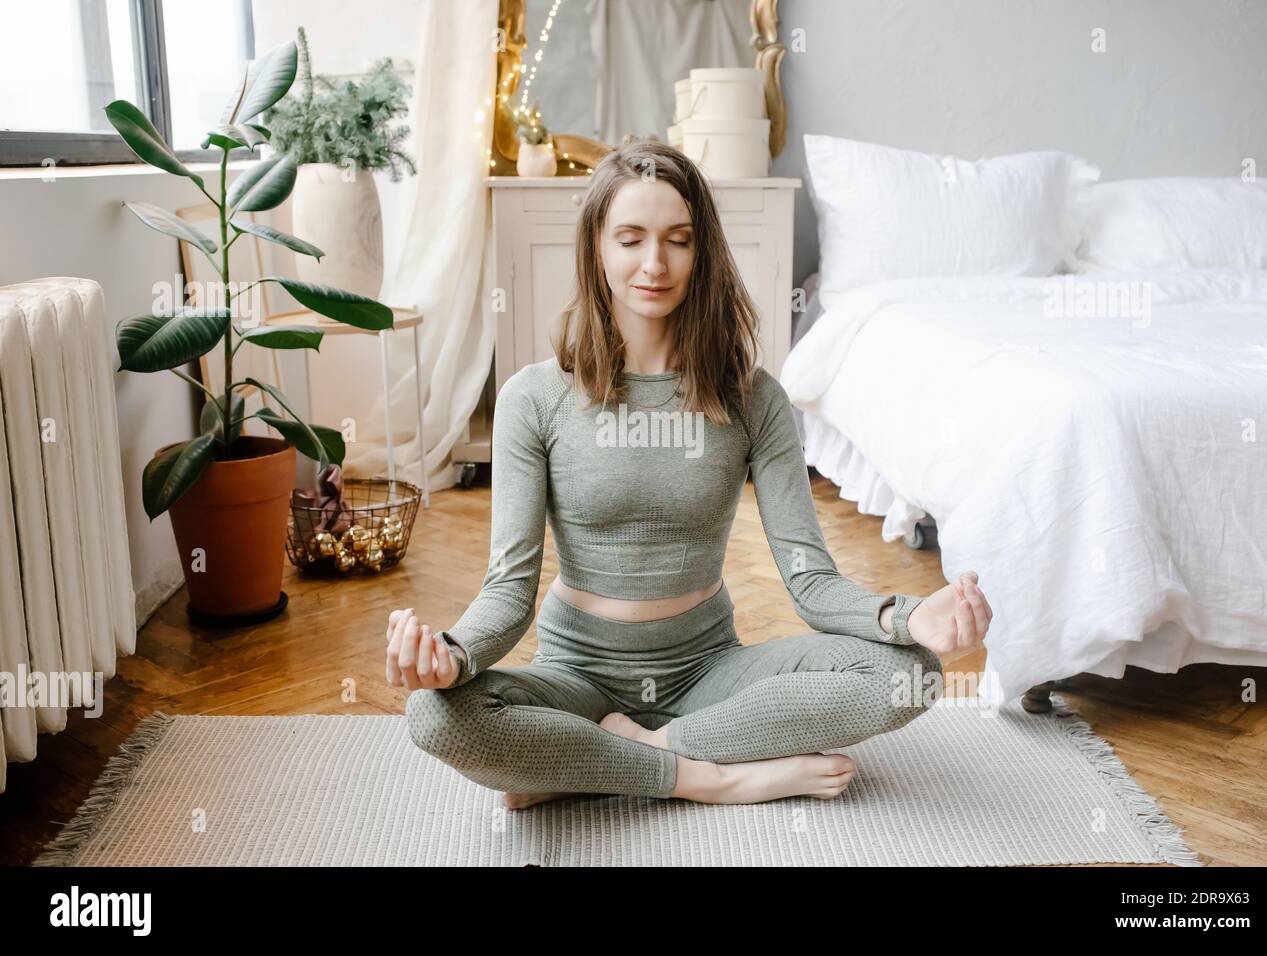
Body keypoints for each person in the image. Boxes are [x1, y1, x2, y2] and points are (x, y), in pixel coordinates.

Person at [390, 139, 991, 808]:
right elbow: (509, 591)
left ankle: (608, 759)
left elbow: (812, 582)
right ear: (597, 248)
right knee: (434, 714)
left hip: (708, 668)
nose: (655, 263)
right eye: (631, 239)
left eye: (678, 240)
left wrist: (912, 618)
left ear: (702, 252)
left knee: (909, 675)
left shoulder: (753, 398)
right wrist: (454, 654)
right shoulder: (533, 399)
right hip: (576, 676)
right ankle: (710, 776)